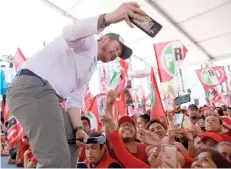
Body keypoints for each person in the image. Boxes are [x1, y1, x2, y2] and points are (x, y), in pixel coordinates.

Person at [6, 2, 147, 168]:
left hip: (48, 98)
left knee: (72, 142)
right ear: (105, 39)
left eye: (119, 55)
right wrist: (108, 18)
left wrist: (79, 128)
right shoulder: (86, 42)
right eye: (116, 48)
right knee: (56, 156)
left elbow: (74, 99)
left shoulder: (89, 68)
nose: (116, 55)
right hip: (33, 88)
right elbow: (69, 31)